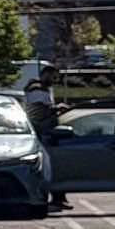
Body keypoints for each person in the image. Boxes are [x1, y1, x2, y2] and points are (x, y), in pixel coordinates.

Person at [25, 75, 70, 210]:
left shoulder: (39, 92)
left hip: (49, 137)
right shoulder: (37, 92)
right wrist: (55, 109)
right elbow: (38, 114)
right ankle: (45, 198)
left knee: (56, 170)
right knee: (45, 170)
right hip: (41, 139)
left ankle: (59, 198)